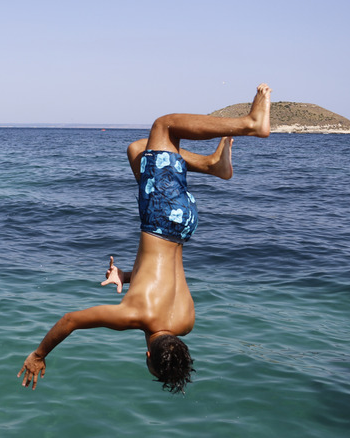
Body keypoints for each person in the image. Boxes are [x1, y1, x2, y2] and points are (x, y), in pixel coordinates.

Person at [18, 84, 272, 393]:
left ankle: (211, 165)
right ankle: (249, 124)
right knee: (163, 126)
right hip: (162, 218)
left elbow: (161, 276)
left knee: (138, 150)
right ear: (147, 354)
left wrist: (125, 276)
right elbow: (70, 320)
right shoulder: (133, 314)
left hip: (184, 226)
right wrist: (38, 355)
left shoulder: (186, 322)